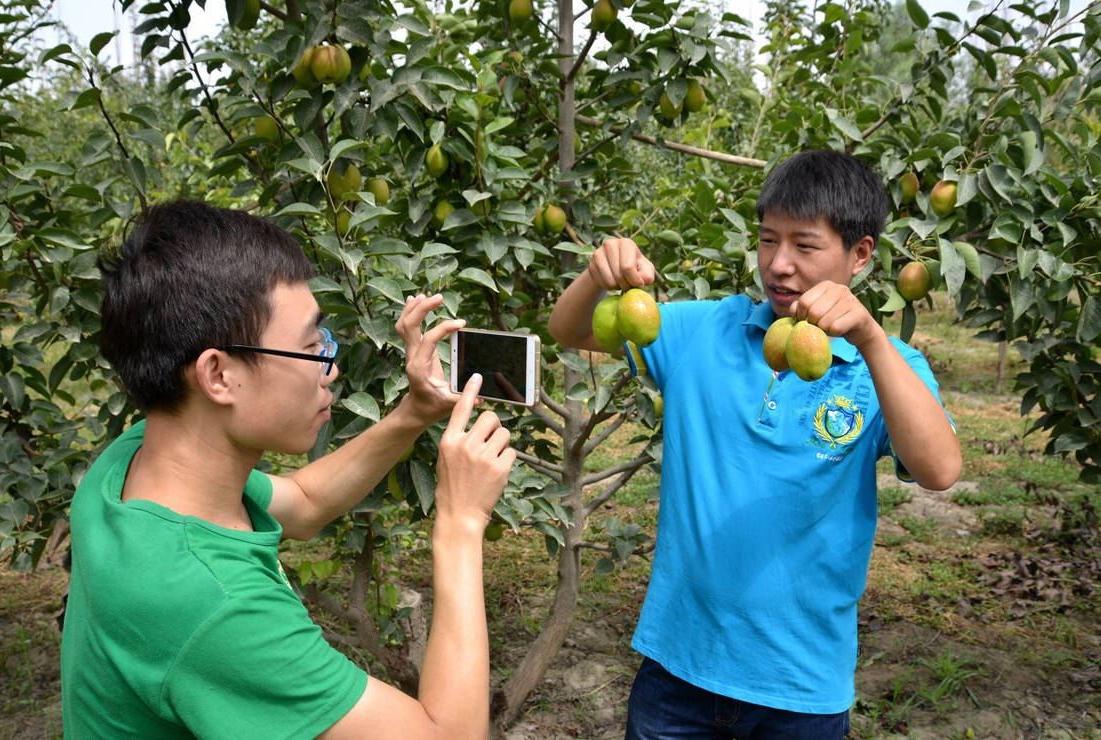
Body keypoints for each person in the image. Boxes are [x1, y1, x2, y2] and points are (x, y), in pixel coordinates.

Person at [60, 199, 515, 739]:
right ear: (219, 375)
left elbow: (303, 503)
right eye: (310, 345)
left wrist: (414, 413)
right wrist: (461, 523)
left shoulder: (134, 460)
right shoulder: (214, 606)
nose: (331, 365)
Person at [548, 150, 962, 739]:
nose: (780, 265)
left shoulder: (888, 367)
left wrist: (870, 338)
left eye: (805, 245)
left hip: (801, 685)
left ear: (861, 255)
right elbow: (571, 332)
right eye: (768, 241)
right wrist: (597, 275)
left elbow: (941, 469)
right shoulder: (704, 330)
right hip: (678, 670)